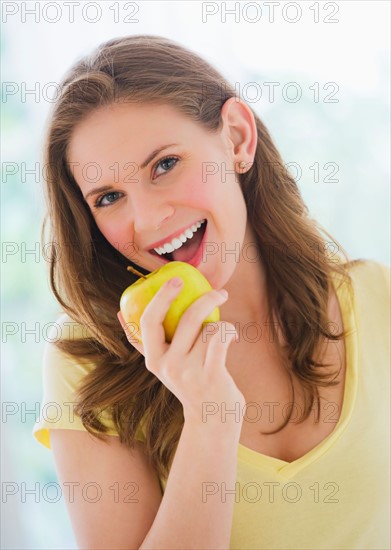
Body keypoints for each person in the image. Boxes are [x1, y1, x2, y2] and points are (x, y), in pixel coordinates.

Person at [33, 34, 390, 549]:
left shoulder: (379, 299)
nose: (147, 220)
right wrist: (209, 418)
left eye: (165, 165)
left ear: (238, 139)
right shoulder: (90, 359)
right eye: (109, 196)